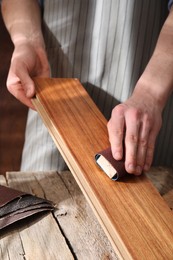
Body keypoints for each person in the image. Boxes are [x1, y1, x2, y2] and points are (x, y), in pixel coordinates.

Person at [1, 0, 173, 175]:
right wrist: (26, 41)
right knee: (36, 199)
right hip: (51, 97)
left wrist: (150, 93)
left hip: (149, 100)